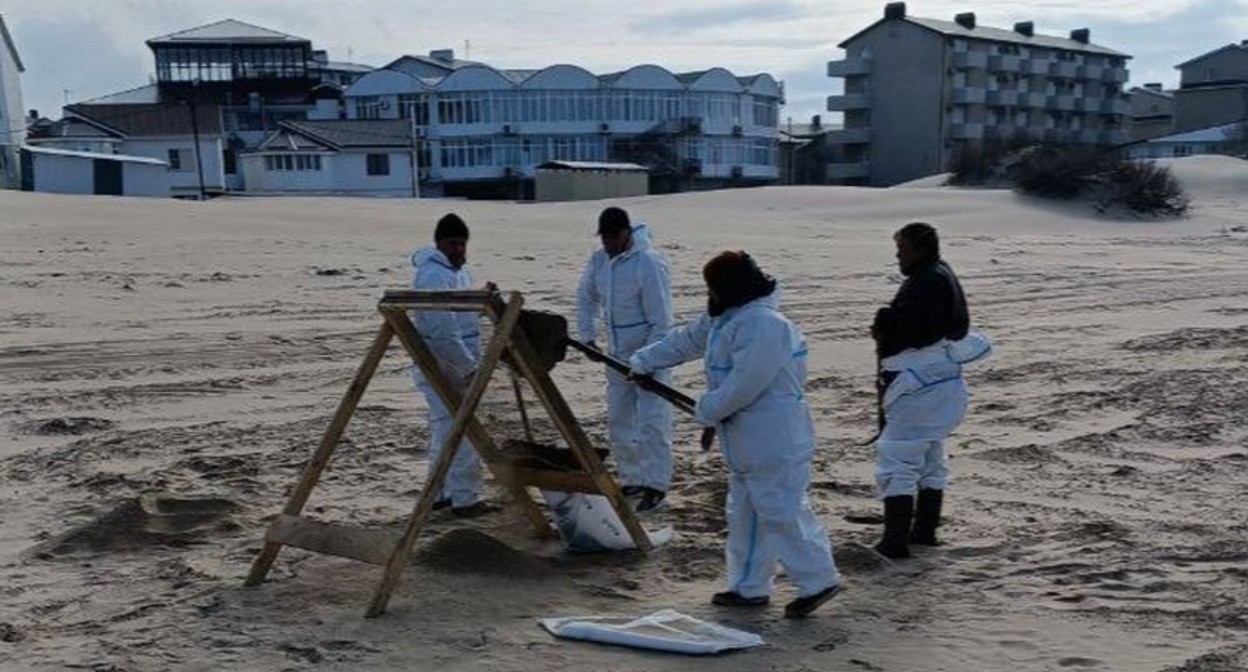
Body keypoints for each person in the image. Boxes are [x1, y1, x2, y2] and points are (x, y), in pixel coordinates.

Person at [630, 251, 842, 618]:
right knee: (746, 514)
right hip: (745, 440)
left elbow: (745, 384)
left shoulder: (765, 325)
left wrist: (707, 409)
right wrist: (644, 360)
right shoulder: (728, 319)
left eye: (713, 287)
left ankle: (819, 579)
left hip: (773, 436)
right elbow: (685, 341)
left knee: (781, 511)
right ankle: (748, 586)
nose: (709, 294)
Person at [870, 222, 992, 559]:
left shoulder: (927, 281)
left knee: (898, 456)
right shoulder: (940, 275)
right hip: (941, 383)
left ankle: (895, 540)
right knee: (930, 456)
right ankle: (923, 531)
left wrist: (885, 324)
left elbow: (917, 330)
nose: (898, 256)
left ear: (921, 249)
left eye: (903, 249)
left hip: (918, 385)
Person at [575, 207, 674, 514]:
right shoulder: (599, 260)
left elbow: (662, 321)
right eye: (602, 237)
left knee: (651, 422)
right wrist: (588, 336)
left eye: (610, 237)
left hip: (650, 353)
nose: (606, 243)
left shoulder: (649, 263)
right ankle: (631, 478)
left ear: (625, 234)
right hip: (615, 355)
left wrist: (646, 361)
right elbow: (585, 296)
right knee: (620, 419)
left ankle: (655, 485)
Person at [407, 213, 497, 518]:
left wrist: (484, 299)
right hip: (444, 366)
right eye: (453, 244)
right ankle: (465, 498)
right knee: (463, 431)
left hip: (453, 364)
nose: (459, 249)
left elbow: (464, 316)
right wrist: (469, 368)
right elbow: (443, 332)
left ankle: (440, 493)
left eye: (462, 243)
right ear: (439, 244)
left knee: (444, 430)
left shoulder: (458, 273)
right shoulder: (434, 275)